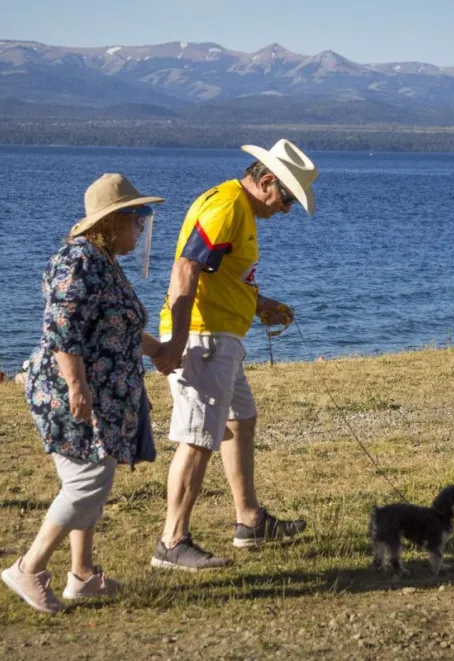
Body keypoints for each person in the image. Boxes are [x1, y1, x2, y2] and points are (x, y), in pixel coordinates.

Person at [1, 173, 170, 614]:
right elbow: (62, 331)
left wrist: (158, 352)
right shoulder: (78, 260)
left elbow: (119, 326)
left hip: (101, 389)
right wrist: (77, 387)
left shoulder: (103, 259)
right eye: (137, 219)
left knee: (92, 477)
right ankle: (29, 567)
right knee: (87, 479)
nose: (141, 228)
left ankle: (82, 575)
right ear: (111, 221)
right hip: (71, 390)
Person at [149, 139, 317, 571]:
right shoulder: (226, 208)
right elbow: (186, 268)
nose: (286, 210)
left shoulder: (239, 210)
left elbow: (222, 276)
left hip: (220, 337)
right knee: (199, 437)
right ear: (265, 181)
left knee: (240, 420)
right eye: (286, 199)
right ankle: (172, 541)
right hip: (203, 340)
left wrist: (261, 305)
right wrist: (178, 341)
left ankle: (249, 520)